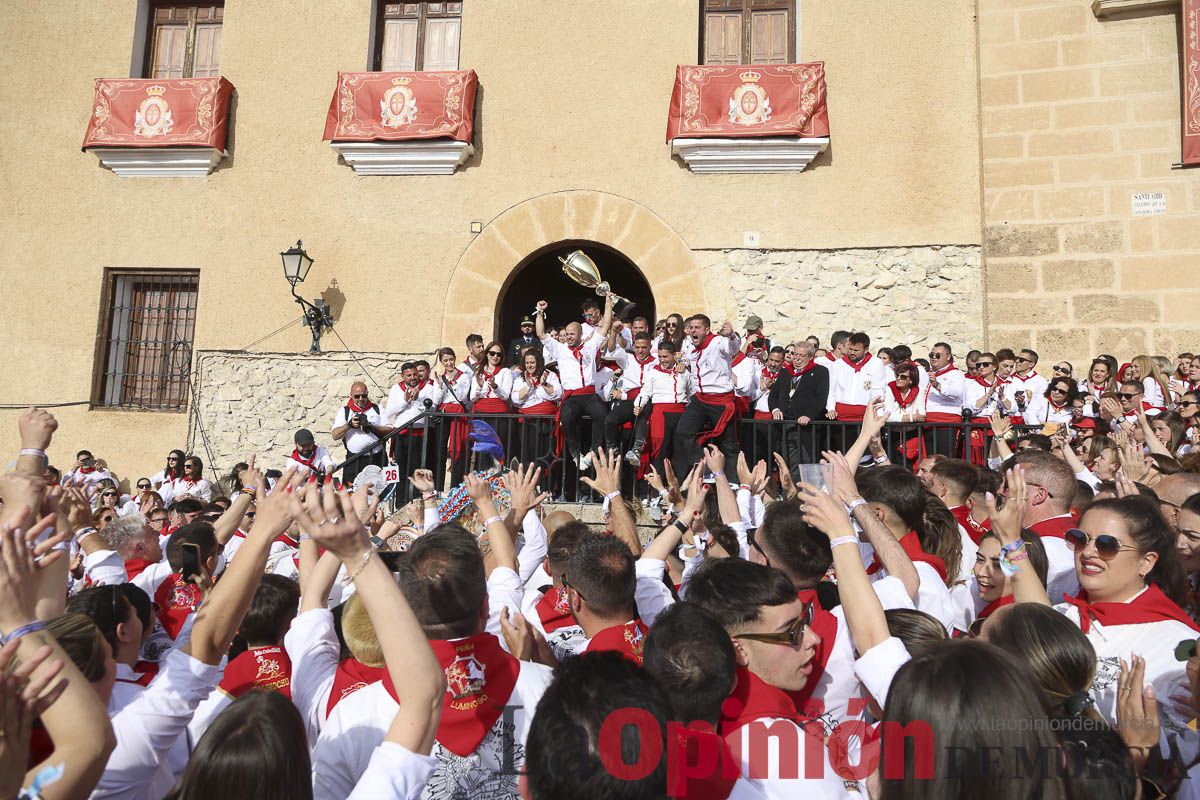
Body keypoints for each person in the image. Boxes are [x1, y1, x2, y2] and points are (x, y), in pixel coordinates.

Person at [535, 295, 613, 471]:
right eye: (567, 334)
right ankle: (575, 454)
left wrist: (608, 304)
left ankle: (592, 453)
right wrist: (540, 312)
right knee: (567, 418)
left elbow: (606, 326)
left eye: (572, 334)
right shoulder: (560, 349)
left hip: (589, 394)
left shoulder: (590, 345)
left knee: (603, 417)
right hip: (571, 395)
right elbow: (541, 333)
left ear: (580, 334)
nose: (569, 337)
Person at [674, 315, 740, 480]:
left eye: (697, 328)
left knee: (728, 444)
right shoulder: (691, 347)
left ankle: (733, 482)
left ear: (707, 330)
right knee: (683, 431)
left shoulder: (718, 342)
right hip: (700, 398)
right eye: (691, 328)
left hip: (720, 399)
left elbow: (732, 348)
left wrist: (731, 335)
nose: (693, 331)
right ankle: (701, 462)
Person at [627, 340, 691, 472]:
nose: (662, 360)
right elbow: (644, 393)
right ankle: (657, 489)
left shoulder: (684, 372)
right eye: (660, 357)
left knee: (680, 451)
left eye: (665, 356)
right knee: (660, 449)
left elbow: (691, 393)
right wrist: (638, 405)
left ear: (673, 355)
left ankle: (678, 488)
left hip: (681, 413)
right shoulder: (653, 373)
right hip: (660, 413)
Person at [768, 340, 830, 468]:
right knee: (790, 463)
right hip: (787, 424)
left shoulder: (820, 372)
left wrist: (809, 415)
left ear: (810, 357)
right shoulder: (786, 372)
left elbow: (821, 397)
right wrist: (775, 410)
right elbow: (773, 395)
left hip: (807, 426)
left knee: (808, 463)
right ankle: (793, 488)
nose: (797, 358)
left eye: (801, 355)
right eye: (795, 354)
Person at [331, 381, 391, 485]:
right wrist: (349, 425)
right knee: (351, 493)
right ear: (351, 395)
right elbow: (335, 435)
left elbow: (390, 430)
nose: (360, 399)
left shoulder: (377, 409)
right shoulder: (345, 411)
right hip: (354, 460)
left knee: (380, 490)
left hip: (377, 458)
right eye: (357, 396)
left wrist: (371, 426)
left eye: (364, 396)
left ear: (367, 395)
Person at [512, 347, 563, 468]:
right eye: (527, 363)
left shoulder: (549, 375)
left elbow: (558, 394)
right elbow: (515, 399)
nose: (529, 365)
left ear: (538, 362)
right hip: (527, 423)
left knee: (545, 454)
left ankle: (545, 484)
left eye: (532, 362)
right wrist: (528, 387)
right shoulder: (520, 378)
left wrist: (544, 384)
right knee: (528, 455)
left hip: (546, 422)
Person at [923, 341, 967, 458]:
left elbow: (957, 392)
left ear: (948, 357)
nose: (933, 358)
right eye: (931, 355)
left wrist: (937, 385)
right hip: (928, 423)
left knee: (945, 461)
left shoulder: (956, 373)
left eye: (938, 355)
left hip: (946, 424)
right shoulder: (928, 374)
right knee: (930, 461)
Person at [1006, 348, 1049, 423]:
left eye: (1021, 360)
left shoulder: (1040, 381)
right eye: (1017, 358)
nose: (1017, 361)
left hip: (1032, 422)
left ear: (1031, 364)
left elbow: (1043, 405)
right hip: (1011, 421)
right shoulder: (1008, 379)